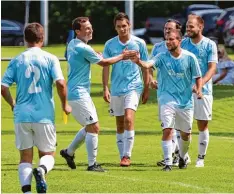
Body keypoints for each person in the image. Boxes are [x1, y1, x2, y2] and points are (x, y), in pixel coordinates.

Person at [1, 23, 71, 193]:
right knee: (47, 155)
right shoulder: (50, 58)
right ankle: (41, 170)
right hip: (44, 114)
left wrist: (13, 104)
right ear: (42, 38)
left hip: (22, 115)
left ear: (25, 39)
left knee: (25, 157)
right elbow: (61, 83)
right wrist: (64, 104)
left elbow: (3, 88)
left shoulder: (16, 60)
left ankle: (27, 192)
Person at [60, 17, 137, 172]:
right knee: (94, 127)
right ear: (77, 31)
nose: (91, 30)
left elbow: (89, 56)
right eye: (87, 28)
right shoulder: (83, 48)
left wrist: (97, 55)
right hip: (78, 93)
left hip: (79, 92)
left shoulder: (73, 44)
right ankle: (92, 164)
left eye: (91, 27)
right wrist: (123, 56)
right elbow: (104, 63)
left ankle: (68, 152)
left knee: (90, 126)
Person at [129, 29, 202, 171]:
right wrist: (138, 61)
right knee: (167, 129)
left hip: (185, 101)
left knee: (186, 134)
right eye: (166, 39)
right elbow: (148, 65)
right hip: (166, 99)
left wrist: (198, 90)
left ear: (179, 41)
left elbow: (198, 77)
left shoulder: (190, 57)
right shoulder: (161, 56)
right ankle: (168, 163)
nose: (168, 42)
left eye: (171, 39)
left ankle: (182, 156)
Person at [102, 12, 150, 167]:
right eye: (119, 27)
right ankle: (121, 154)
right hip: (116, 88)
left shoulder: (139, 43)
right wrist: (105, 88)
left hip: (134, 86)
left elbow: (146, 66)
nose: (122, 29)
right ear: (115, 28)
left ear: (129, 25)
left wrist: (146, 87)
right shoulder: (110, 44)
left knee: (129, 118)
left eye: (124, 26)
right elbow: (106, 66)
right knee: (120, 123)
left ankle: (127, 156)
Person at [150, 19, 191, 167]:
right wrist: (150, 79)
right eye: (165, 29)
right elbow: (150, 66)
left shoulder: (185, 47)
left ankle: (180, 155)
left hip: (182, 93)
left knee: (182, 128)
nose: (167, 31)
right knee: (168, 126)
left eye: (170, 29)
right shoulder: (157, 48)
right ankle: (174, 157)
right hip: (164, 92)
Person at [181, 14, 218, 167]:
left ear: (200, 27)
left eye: (191, 26)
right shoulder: (183, 44)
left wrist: (200, 84)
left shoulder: (210, 45)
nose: (188, 29)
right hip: (184, 92)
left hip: (204, 92)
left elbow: (212, 69)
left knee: (202, 124)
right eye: (187, 26)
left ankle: (201, 158)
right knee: (183, 126)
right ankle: (183, 156)